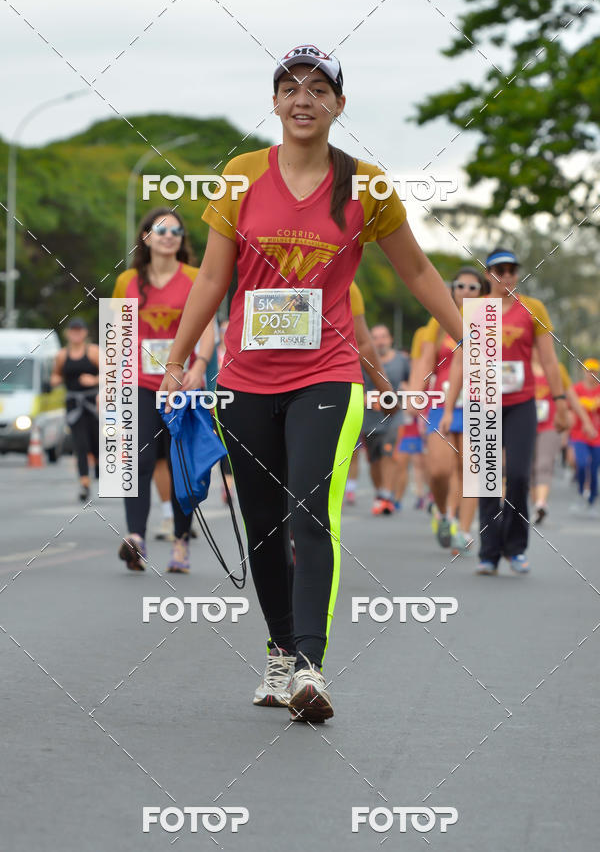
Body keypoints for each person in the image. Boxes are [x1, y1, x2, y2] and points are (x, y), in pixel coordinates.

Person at [159, 44, 463, 722]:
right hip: (244, 378)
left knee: (309, 512)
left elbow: (416, 272)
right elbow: (212, 278)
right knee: (265, 525)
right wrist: (179, 360)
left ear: (338, 106)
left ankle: (310, 667)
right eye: (290, 87)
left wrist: (468, 334)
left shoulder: (367, 186)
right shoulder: (239, 177)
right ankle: (277, 651)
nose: (304, 98)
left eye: (319, 88)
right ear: (273, 103)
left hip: (327, 373)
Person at [447, 248, 570, 575]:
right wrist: (448, 407)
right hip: (482, 403)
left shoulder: (533, 308)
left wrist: (559, 402)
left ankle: (516, 547)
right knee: (486, 481)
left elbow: (548, 359)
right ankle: (489, 553)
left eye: (511, 270)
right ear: (488, 274)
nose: (506, 276)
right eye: (499, 270)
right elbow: (461, 362)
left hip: (521, 404)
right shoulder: (473, 309)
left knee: (516, 475)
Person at [112, 207, 215, 573]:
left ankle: (181, 543)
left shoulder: (194, 277)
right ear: (146, 238)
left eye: (175, 230)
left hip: (182, 385)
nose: (169, 235)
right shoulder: (126, 281)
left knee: (180, 466)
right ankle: (136, 539)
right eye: (160, 230)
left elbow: (207, 326)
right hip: (139, 384)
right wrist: (109, 385)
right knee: (137, 461)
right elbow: (117, 336)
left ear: (181, 239)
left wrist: (199, 365)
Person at [412, 267, 487, 556]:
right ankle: (443, 514)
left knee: (471, 470)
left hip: (477, 403)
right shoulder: (438, 321)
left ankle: (463, 530)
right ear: (452, 290)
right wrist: (415, 399)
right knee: (441, 469)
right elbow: (425, 362)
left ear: (481, 292)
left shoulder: (488, 322)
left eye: (473, 288)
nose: (466, 292)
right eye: (461, 287)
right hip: (441, 404)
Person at [531, 348, 596, 523]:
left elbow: (571, 398)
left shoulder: (556, 368)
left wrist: (586, 423)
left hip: (550, 426)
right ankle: (530, 500)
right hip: (525, 424)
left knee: (544, 464)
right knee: (527, 469)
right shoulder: (522, 366)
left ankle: (541, 503)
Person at [344, 281, 393, 506]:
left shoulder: (399, 360)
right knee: (354, 453)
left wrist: (389, 395)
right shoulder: (359, 355)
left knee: (384, 455)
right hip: (358, 410)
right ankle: (356, 490)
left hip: (383, 414)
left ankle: (384, 493)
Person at [50, 318, 99, 501]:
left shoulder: (93, 351)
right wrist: (55, 380)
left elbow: (112, 372)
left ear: (85, 332)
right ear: (68, 333)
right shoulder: (62, 355)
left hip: (92, 403)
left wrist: (94, 380)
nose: (76, 334)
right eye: (73, 330)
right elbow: (56, 373)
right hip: (73, 404)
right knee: (80, 444)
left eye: (79, 330)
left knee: (95, 442)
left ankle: (100, 469)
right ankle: (84, 483)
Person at [363, 324, 409, 515]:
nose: (380, 341)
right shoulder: (363, 359)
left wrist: (410, 400)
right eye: (375, 337)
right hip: (369, 417)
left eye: (383, 337)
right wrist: (365, 398)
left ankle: (387, 495)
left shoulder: (401, 360)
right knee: (373, 459)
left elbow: (408, 382)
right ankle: (380, 491)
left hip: (394, 415)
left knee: (390, 453)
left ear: (390, 339)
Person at [394, 326, 428, 510]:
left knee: (420, 461)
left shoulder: (423, 372)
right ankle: (399, 496)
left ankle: (423, 494)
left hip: (419, 420)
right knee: (402, 460)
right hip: (403, 422)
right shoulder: (409, 371)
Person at [569, 358, 600, 511]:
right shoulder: (576, 389)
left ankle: (593, 496)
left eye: (594, 372)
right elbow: (569, 409)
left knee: (594, 468)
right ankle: (582, 490)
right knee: (582, 463)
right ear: (584, 372)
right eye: (589, 371)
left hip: (597, 436)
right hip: (579, 434)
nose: (591, 374)